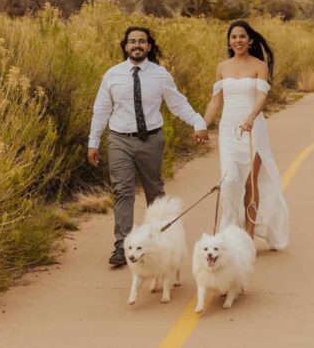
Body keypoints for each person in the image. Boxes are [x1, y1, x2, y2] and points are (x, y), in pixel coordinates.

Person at [88, 26, 209, 267]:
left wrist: (198, 122)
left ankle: (161, 241)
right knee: (122, 191)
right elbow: (101, 110)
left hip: (151, 140)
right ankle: (123, 246)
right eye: (132, 41)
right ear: (125, 46)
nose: (136, 45)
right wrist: (93, 141)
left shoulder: (160, 75)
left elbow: (177, 104)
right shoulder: (112, 75)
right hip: (119, 139)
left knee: (154, 192)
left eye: (141, 41)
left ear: (149, 46)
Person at [202, 20, 289, 249]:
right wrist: (202, 125)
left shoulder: (260, 65)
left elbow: (261, 97)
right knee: (230, 181)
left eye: (242, 36)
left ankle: (248, 235)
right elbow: (215, 101)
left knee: (250, 183)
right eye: (233, 37)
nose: (238, 41)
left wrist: (250, 117)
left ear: (250, 41)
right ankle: (230, 231)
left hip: (253, 128)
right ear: (229, 42)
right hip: (228, 130)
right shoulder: (222, 66)